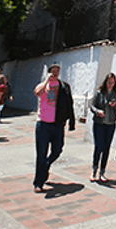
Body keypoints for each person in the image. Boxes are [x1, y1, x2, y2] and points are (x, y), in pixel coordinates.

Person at [33, 64, 75, 193]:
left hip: (58, 124)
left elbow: (70, 103)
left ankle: (45, 167)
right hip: (43, 124)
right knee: (41, 154)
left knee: (57, 150)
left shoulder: (64, 86)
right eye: (53, 71)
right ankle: (38, 182)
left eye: (57, 71)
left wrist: (71, 121)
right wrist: (47, 80)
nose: (55, 73)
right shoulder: (43, 86)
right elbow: (37, 93)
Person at [89, 73, 116, 182]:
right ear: (105, 82)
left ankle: (102, 172)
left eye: (112, 83)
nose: (110, 85)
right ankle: (94, 170)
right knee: (99, 147)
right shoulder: (99, 93)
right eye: (109, 82)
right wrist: (98, 111)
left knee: (106, 148)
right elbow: (92, 106)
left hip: (111, 123)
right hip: (99, 123)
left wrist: (115, 106)